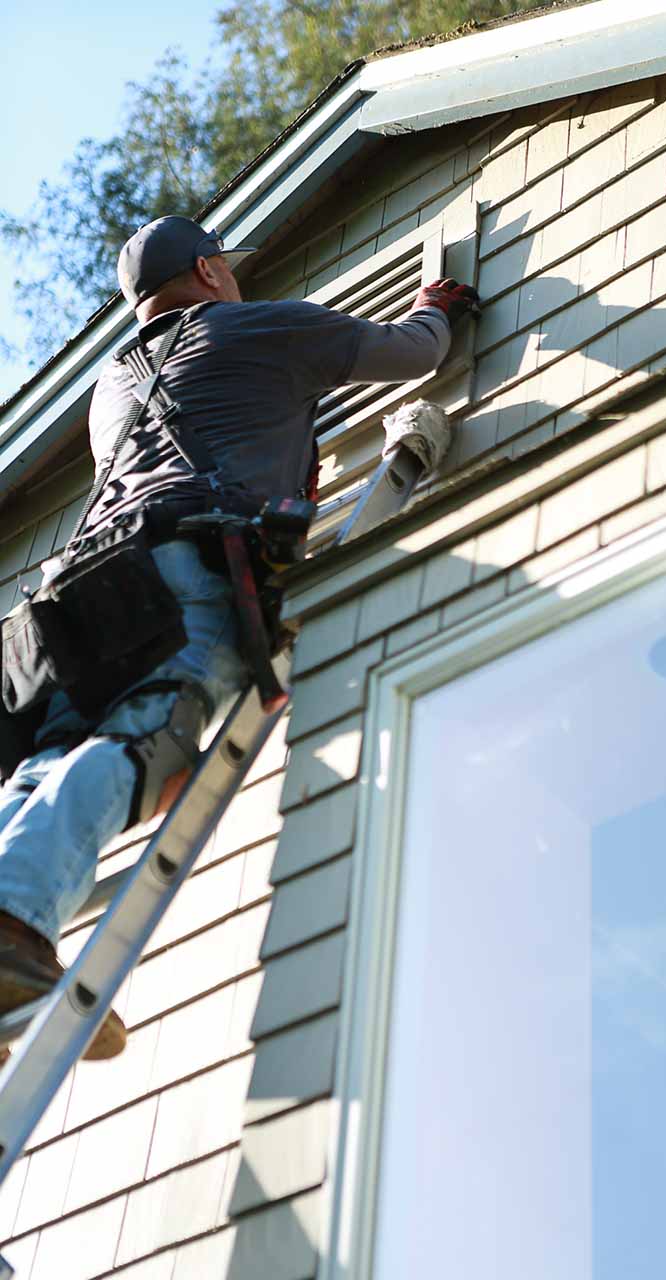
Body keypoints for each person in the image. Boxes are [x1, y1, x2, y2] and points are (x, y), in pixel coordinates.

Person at [0, 215, 478, 1059]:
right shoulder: (263, 325)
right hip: (183, 567)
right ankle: (15, 926)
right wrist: (437, 307)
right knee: (151, 738)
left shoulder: (112, 384)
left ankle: (15, 905)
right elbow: (414, 355)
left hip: (78, 591)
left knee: (50, 757)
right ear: (212, 270)